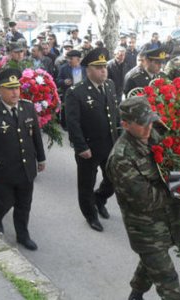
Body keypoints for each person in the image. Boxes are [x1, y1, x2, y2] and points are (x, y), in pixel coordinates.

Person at [106, 96, 180, 300]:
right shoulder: (121, 158)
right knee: (168, 279)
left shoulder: (153, 135)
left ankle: (135, 295)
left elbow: (173, 158)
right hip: (145, 228)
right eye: (142, 123)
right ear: (125, 124)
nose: (149, 126)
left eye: (150, 120)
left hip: (165, 219)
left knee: (150, 263)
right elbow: (145, 200)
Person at [0, 68, 46, 250]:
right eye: (10, 88)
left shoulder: (28, 107)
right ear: (0, 90)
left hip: (26, 169)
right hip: (4, 171)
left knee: (24, 205)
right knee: (4, 202)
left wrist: (41, 159)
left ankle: (22, 235)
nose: (15, 92)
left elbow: (36, 137)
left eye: (17, 87)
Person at [64, 48, 119, 232]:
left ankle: (100, 199)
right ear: (88, 70)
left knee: (113, 180)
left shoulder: (110, 85)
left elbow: (114, 115)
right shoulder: (76, 92)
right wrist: (81, 147)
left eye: (104, 66)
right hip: (88, 147)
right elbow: (72, 123)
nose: (103, 70)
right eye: (98, 67)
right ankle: (90, 215)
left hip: (109, 144)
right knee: (86, 184)